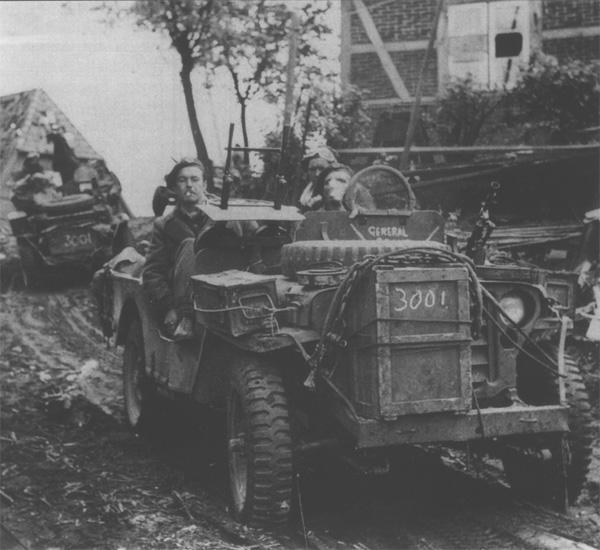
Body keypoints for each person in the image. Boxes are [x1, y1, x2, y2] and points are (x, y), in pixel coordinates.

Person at [142, 158, 211, 338]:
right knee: (189, 245)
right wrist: (169, 308)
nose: (189, 185)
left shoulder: (223, 217)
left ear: (204, 184)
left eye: (195, 180)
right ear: (174, 188)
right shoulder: (164, 226)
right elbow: (153, 273)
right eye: (182, 180)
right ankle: (186, 318)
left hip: (219, 296)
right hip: (183, 302)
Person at [298, 146, 337, 211]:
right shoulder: (306, 191)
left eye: (322, 168)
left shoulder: (339, 191)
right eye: (312, 169)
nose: (317, 174)